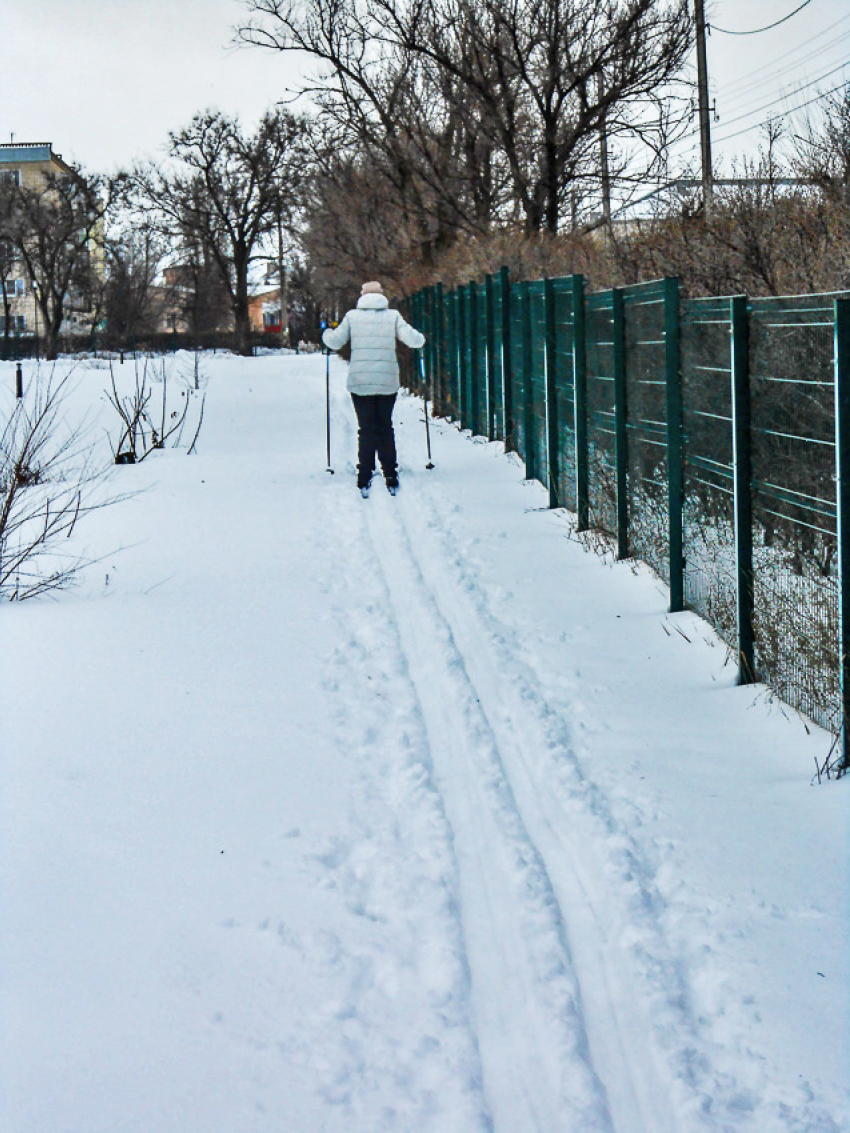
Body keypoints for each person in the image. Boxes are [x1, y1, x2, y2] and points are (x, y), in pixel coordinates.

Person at [322, 281, 425, 495]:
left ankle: (364, 474)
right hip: (387, 381)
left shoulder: (352, 317)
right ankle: (390, 474)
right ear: (381, 296)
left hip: (360, 381)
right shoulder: (393, 316)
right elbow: (415, 341)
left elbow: (335, 342)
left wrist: (326, 334)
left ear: (362, 297)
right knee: (385, 427)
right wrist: (421, 338)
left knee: (366, 428)